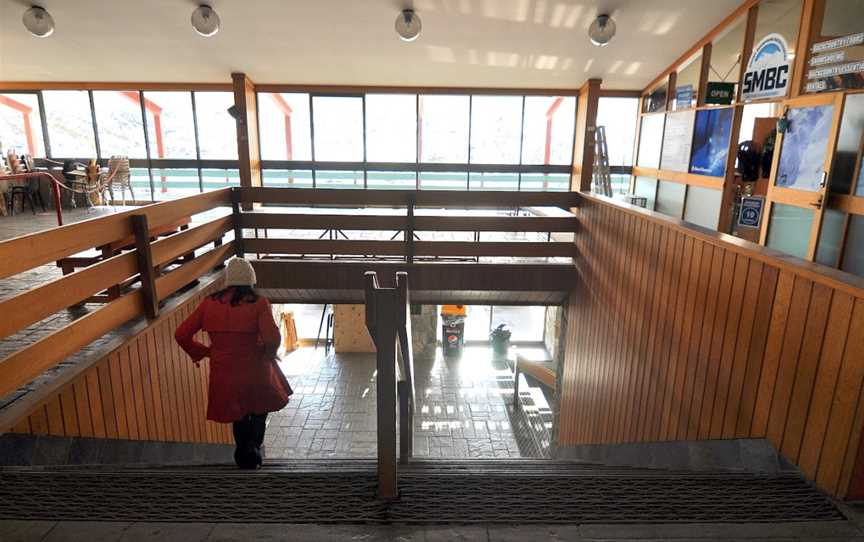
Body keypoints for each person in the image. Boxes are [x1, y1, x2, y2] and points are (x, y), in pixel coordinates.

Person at [175, 256, 292, 469]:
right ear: (251, 280)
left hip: (224, 371)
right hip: (255, 368)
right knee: (258, 409)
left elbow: (181, 334)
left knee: (238, 414)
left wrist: (206, 352)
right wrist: (268, 354)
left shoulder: (209, 303)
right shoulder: (258, 303)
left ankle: (244, 454)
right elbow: (273, 339)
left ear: (228, 280)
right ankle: (253, 450)